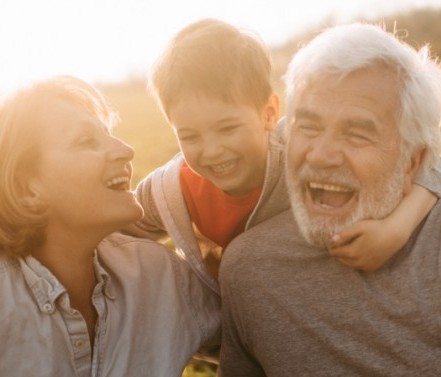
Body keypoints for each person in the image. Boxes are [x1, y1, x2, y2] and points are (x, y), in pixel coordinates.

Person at [215, 23, 441, 377]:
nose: (321, 155)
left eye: (358, 133)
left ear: (413, 162)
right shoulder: (251, 268)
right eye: (309, 127)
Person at [128, 18, 440, 301]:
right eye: (190, 137)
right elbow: (113, 231)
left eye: (227, 128)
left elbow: (431, 151)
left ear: (269, 114)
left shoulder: (301, 149)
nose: (211, 150)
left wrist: (399, 227)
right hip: (226, 326)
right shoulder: (169, 190)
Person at [0, 76, 224, 377]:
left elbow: (260, 344)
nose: (125, 150)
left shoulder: (158, 275)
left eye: (109, 134)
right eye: (86, 141)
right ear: (29, 189)